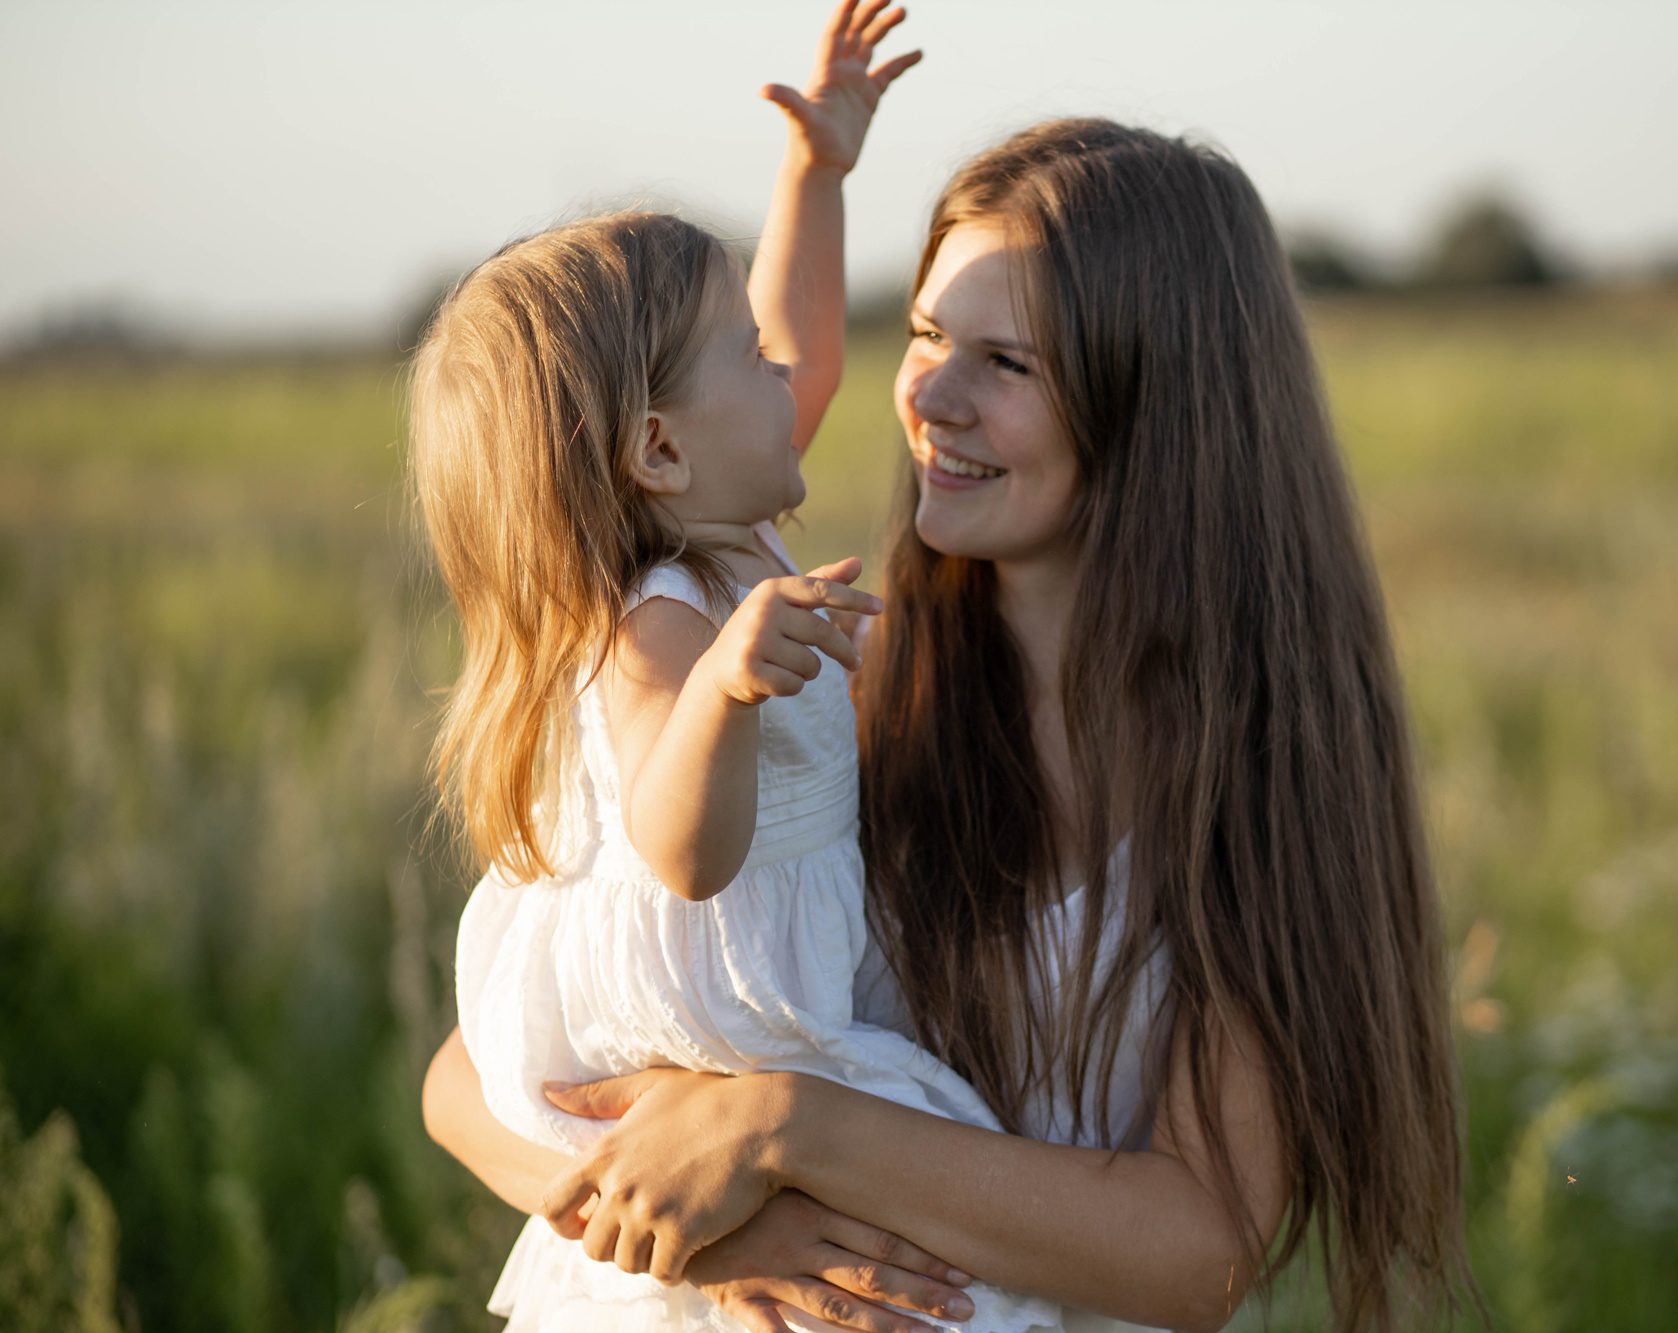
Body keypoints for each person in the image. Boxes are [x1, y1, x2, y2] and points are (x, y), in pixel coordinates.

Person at [425, 114, 1472, 1333]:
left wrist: (783, 1126)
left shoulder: (1257, 768)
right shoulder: (821, 688)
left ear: (1159, 402)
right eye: (924, 334)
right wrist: (694, 1232)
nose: (929, 393)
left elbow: (1196, 1254)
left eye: (1007, 364)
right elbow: (469, 1080)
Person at [408, 6, 1061, 1331]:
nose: (796, 375)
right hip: (735, 1046)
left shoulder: (730, 535)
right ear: (659, 453)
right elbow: (680, 848)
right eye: (745, 363)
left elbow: (802, 339)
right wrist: (721, 690)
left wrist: (814, 175)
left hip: (769, 1038)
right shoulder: (661, 621)